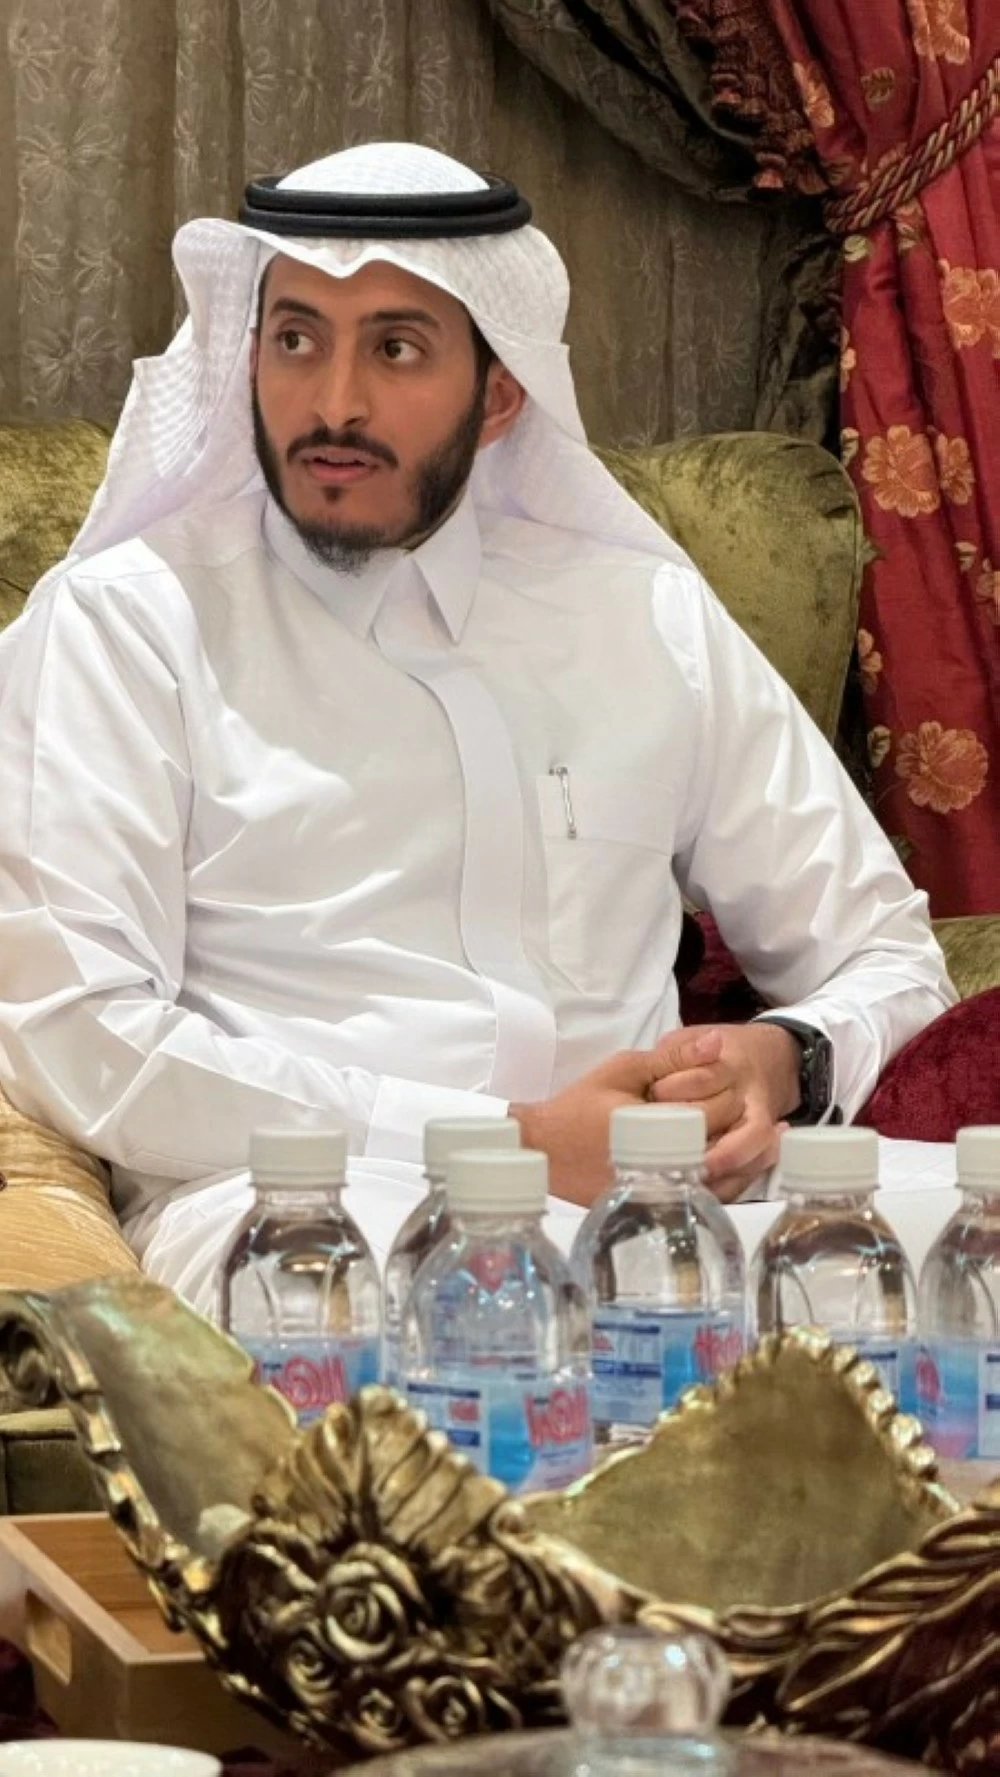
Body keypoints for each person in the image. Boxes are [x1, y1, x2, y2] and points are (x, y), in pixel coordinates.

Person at [0, 143, 953, 1314]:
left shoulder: (640, 614)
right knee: (448, 1302)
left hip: (676, 1203)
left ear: (501, 395)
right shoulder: (127, 623)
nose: (333, 402)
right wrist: (509, 1143)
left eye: (394, 348)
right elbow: (78, 1028)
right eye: (294, 339)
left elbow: (886, 956)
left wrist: (783, 1059)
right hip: (317, 1212)